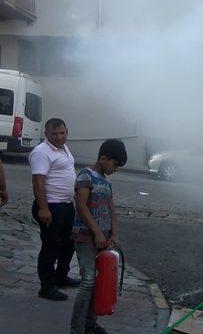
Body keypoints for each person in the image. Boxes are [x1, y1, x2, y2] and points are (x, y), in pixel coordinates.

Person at [70, 138, 127, 334]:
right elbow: (81, 205)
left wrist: (114, 233)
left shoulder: (107, 182)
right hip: (86, 238)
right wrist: (96, 232)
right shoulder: (86, 175)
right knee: (87, 282)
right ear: (103, 158)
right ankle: (77, 329)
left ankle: (90, 325)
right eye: (115, 164)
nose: (116, 169)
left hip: (103, 240)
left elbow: (111, 209)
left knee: (99, 282)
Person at [29, 118, 79, 301]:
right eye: (54, 134)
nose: (58, 137)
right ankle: (47, 287)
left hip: (66, 205)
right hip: (51, 206)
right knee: (50, 247)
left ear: (67, 132)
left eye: (62, 133)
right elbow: (38, 182)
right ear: (46, 134)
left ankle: (61, 276)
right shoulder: (41, 152)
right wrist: (43, 208)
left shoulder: (64, 148)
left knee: (68, 244)